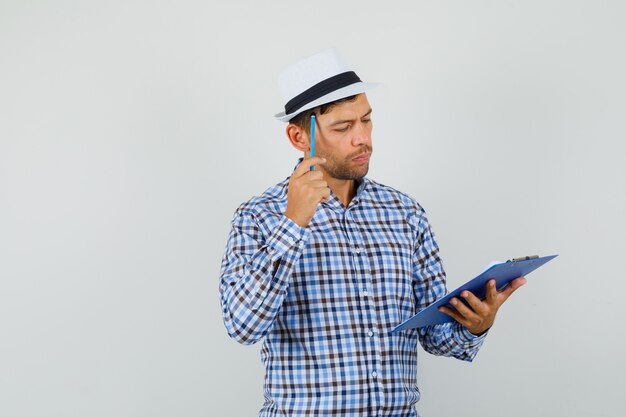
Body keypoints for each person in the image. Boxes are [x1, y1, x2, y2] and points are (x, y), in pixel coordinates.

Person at [219, 48, 526, 417]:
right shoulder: (258, 217)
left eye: (366, 120)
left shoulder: (405, 213)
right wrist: (293, 223)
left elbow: (436, 337)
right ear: (299, 138)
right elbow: (242, 327)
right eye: (343, 127)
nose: (362, 138)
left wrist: (476, 324)